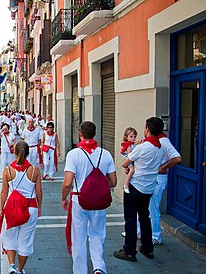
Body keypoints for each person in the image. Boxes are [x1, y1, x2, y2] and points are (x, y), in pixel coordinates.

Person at [62, 121, 117, 274]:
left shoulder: (73, 154)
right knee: (98, 234)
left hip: (79, 200)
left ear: (80, 134)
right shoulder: (106, 154)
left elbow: (67, 182)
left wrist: (63, 198)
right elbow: (113, 181)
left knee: (78, 237)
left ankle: (81, 270)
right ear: (95, 133)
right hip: (99, 201)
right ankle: (99, 267)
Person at [114, 117, 164, 262]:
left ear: (147, 129)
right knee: (144, 216)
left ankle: (129, 250)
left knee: (130, 218)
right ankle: (147, 248)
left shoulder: (143, 147)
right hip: (149, 187)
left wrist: (130, 166)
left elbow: (125, 162)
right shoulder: (160, 148)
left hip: (135, 186)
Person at [0, 141, 42, 274]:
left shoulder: (7, 170)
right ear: (28, 153)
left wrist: (2, 209)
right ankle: (20, 270)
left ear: (14, 152)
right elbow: (39, 191)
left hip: (11, 207)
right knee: (25, 240)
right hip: (30, 207)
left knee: (9, 237)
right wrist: (39, 207)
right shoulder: (35, 170)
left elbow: (4, 192)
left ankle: (11, 265)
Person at [120, 127, 138, 193]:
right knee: (132, 170)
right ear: (126, 137)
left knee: (130, 171)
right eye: (131, 136)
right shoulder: (128, 145)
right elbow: (129, 154)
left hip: (130, 159)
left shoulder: (132, 144)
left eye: (134, 136)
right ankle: (126, 184)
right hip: (128, 159)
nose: (133, 138)